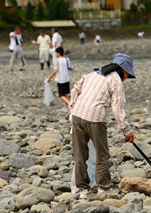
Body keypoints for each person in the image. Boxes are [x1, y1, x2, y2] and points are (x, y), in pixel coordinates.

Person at [70, 53, 136, 199]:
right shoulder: (116, 81)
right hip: (95, 119)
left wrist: (73, 106)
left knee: (80, 154)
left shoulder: (93, 74)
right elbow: (117, 110)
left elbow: (75, 89)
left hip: (77, 115)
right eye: (127, 75)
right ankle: (103, 188)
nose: (126, 78)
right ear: (123, 70)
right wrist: (127, 131)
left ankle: (83, 190)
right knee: (102, 154)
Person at [46, 47, 74, 112]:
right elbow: (70, 68)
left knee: (61, 95)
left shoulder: (57, 60)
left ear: (58, 53)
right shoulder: (67, 59)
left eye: (55, 52)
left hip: (61, 79)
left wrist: (49, 77)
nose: (55, 54)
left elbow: (56, 70)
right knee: (66, 93)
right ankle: (65, 108)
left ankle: (70, 104)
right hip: (67, 78)